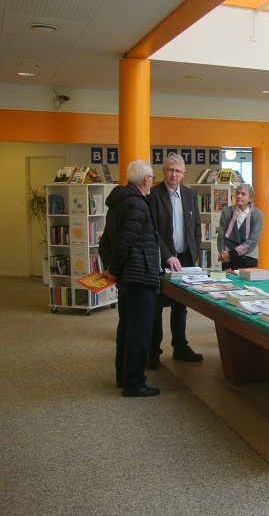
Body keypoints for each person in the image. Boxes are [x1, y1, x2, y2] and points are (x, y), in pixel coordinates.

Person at [98, 160, 161, 397]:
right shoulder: (137, 204)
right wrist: (114, 269)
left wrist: (111, 268)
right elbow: (125, 242)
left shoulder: (117, 203)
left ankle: (123, 376)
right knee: (140, 332)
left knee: (126, 327)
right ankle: (134, 382)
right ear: (146, 180)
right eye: (152, 178)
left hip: (127, 277)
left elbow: (106, 241)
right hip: (139, 276)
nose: (153, 183)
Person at [147, 153, 203, 369]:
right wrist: (167, 255)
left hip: (186, 260)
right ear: (163, 171)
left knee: (181, 306)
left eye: (178, 171)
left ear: (183, 173)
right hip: (162, 260)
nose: (173, 174)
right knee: (156, 308)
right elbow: (152, 231)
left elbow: (196, 227)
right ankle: (154, 352)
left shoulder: (190, 194)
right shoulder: (153, 195)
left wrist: (194, 252)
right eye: (170, 170)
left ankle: (180, 347)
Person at [217, 183, 263, 270]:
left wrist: (232, 254)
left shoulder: (257, 214)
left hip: (248, 257)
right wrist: (223, 254)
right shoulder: (226, 211)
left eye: (243, 194)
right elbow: (221, 235)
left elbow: (254, 239)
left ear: (250, 198)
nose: (239, 196)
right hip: (227, 257)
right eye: (237, 193)